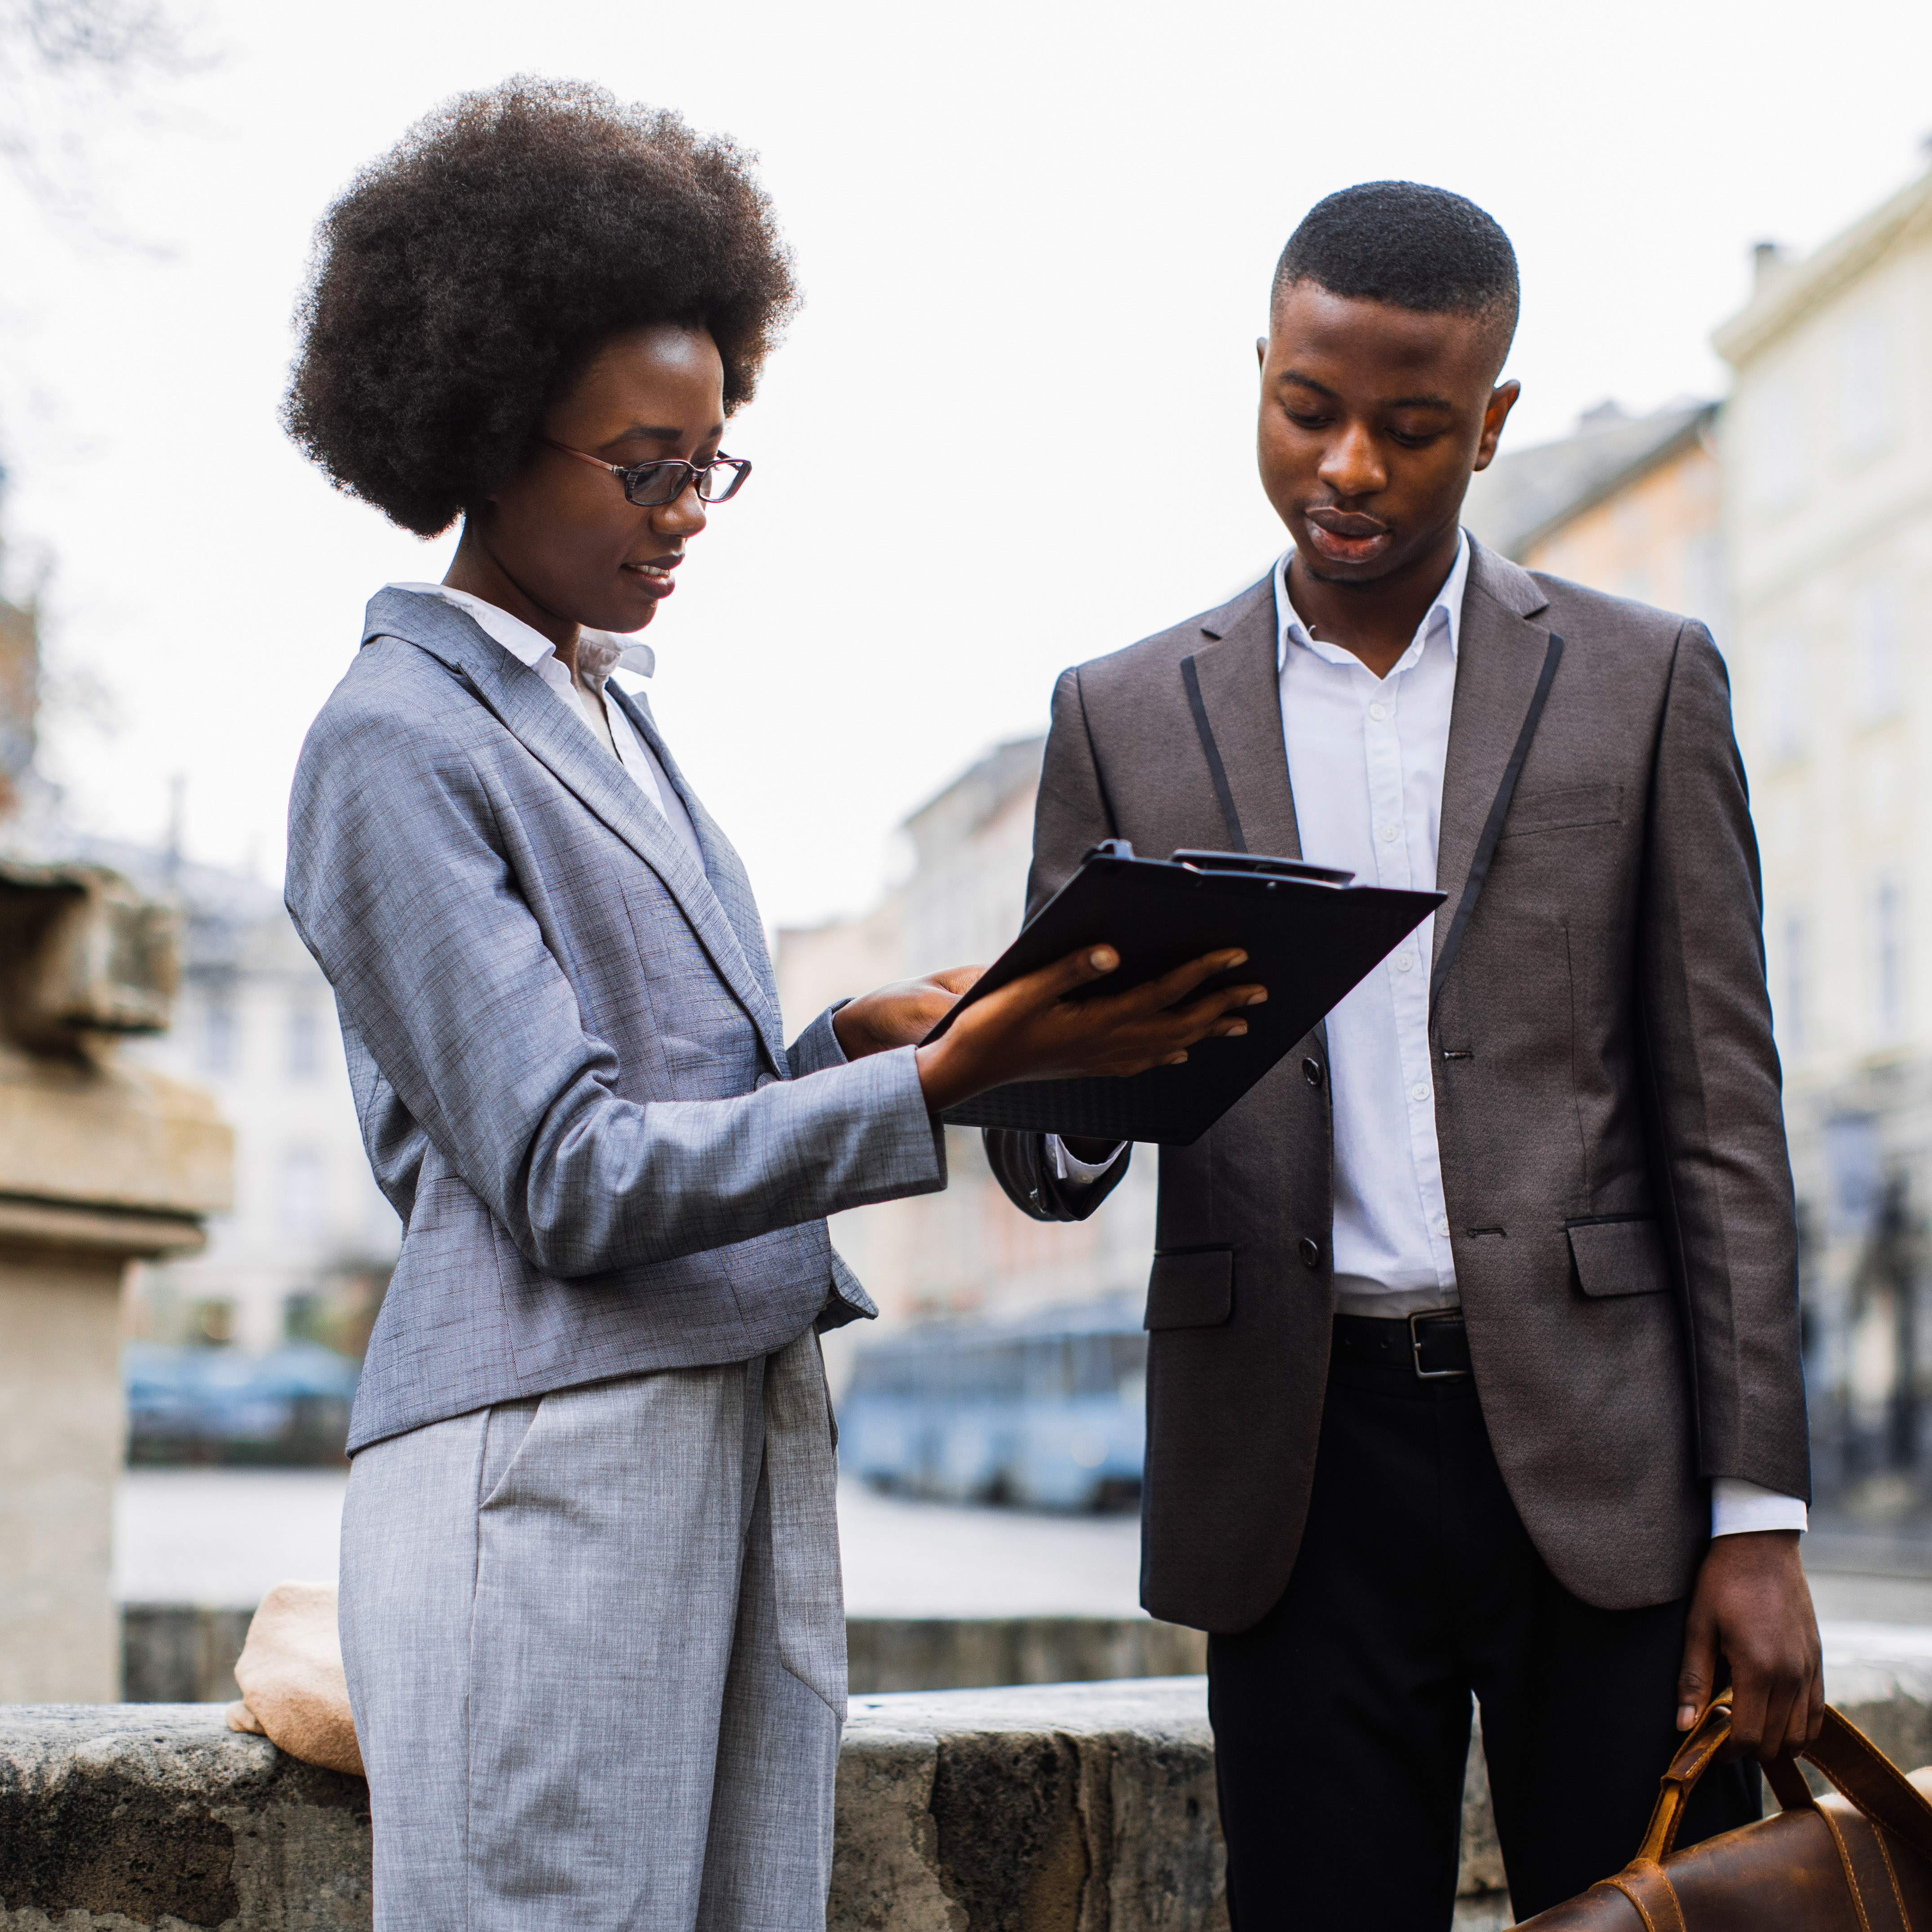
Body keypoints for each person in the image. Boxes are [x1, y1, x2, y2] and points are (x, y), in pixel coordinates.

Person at [280, 80, 1263, 1932]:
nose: (684, 511)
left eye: (708, 461)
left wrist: (848, 1044)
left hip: (724, 1432)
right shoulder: (391, 738)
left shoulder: (606, 712)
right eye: (641, 462)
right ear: (490, 434)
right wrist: (948, 1088)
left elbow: (663, 1090)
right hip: (540, 1465)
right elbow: (564, 1172)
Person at [984, 180, 1821, 1927]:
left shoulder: (1640, 680)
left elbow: (1720, 1122)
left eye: (1409, 425)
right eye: (1306, 410)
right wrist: (1049, 1081)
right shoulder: (1121, 713)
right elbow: (1043, 1138)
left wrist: (1755, 1515)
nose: (1347, 466)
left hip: (1602, 1469)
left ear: (1491, 421)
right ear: (1260, 375)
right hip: (1290, 1472)